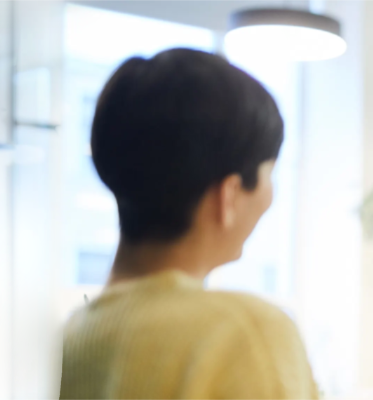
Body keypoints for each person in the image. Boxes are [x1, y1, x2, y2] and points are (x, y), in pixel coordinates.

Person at [59, 48, 317, 399]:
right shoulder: (246, 335)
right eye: (269, 173)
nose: (271, 197)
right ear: (229, 194)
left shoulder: (73, 337)